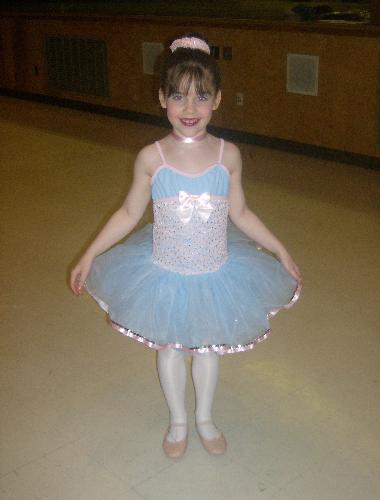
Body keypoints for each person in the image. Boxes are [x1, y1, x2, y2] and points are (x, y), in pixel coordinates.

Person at [70, 33, 301, 459]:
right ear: (161, 99)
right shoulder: (151, 158)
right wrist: (89, 254)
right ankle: (178, 421)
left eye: (201, 97)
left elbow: (242, 213)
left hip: (215, 270)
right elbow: (126, 214)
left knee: (208, 349)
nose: (190, 109)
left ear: (218, 100)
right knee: (171, 349)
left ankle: (205, 418)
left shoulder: (227, 155)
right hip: (166, 273)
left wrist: (281, 249)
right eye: (178, 96)